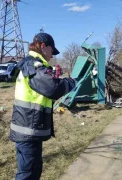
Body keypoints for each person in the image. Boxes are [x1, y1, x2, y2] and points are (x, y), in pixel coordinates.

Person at [9, 32, 76, 180]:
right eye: (52, 51)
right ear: (43, 46)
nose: (52, 56)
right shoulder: (33, 65)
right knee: (27, 174)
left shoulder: (33, 65)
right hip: (28, 131)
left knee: (33, 171)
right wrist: (72, 82)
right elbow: (52, 88)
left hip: (30, 130)